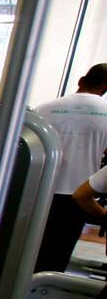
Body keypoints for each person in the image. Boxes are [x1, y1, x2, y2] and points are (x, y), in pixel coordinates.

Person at [33, 63, 107, 273]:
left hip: (40, 188)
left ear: (81, 81)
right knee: (58, 253)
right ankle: (43, 298)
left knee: (29, 247)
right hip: (78, 194)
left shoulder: (44, 108)